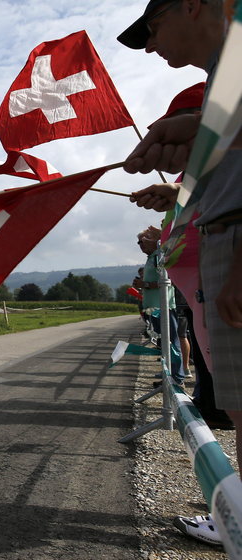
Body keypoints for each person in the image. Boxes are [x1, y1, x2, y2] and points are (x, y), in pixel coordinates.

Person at [119, 0, 242, 546]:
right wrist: (179, 186)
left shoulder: (237, 55)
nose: (149, 44)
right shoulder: (226, 69)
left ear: (192, 5)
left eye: (152, 26)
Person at [132, 227, 187, 386]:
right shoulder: (151, 257)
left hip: (163, 306)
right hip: (154, 307)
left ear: (153, 240)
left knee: (171, 341)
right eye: (138, 242)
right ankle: (169, 375)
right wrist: (142, 285)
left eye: (143, 241)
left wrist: (146, 284)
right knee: (163, 342)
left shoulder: (159, 256)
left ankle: (177, 378)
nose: (140, 245)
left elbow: (167, 281)